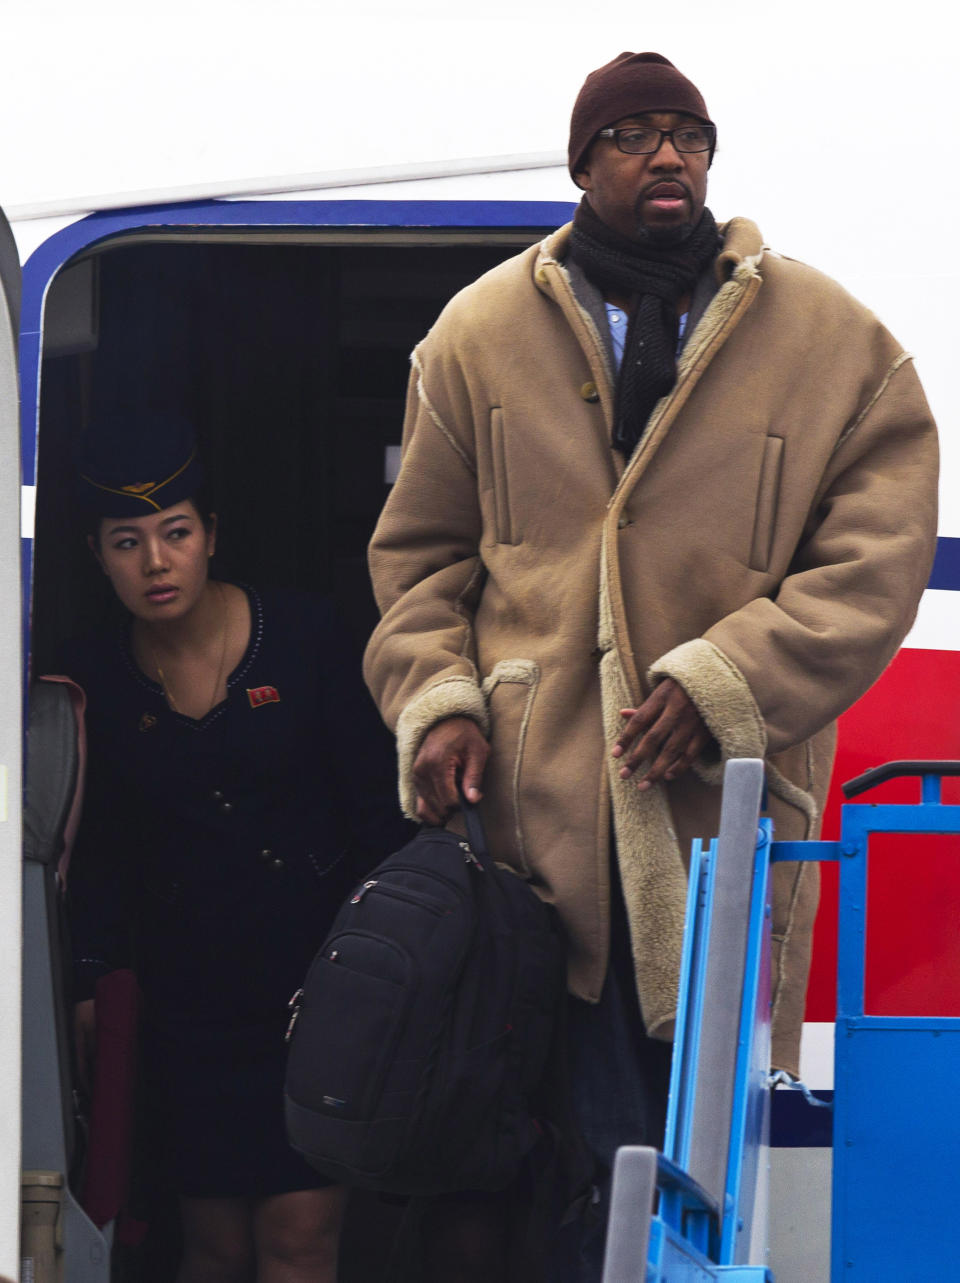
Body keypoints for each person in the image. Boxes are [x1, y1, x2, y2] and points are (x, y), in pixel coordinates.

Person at [362, 51, 939, 1278]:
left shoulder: (834, 341)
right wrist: (440, 700)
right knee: (518, 1151)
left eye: (685, 132)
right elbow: (418, 560)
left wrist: (727, 680)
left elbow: (874, 563)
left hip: (718, 827)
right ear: (582, 167)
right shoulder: (474, 336)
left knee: (690, 1156)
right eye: (630, 135)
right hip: (530, 834)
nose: (664, 154)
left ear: (712, 158)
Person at [64, 410, 407, 1283]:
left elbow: (378, 811)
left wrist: (380, 970)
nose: (154, 561)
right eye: (126, 541)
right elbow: (94, 844)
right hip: (188, 1002)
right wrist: (90, 978)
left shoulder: (306, 637)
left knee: (297, 1241)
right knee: (211, 1248)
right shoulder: (93, 680)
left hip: (317, 989)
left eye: (174, 533)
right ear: (97, 555)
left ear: (210, 537)